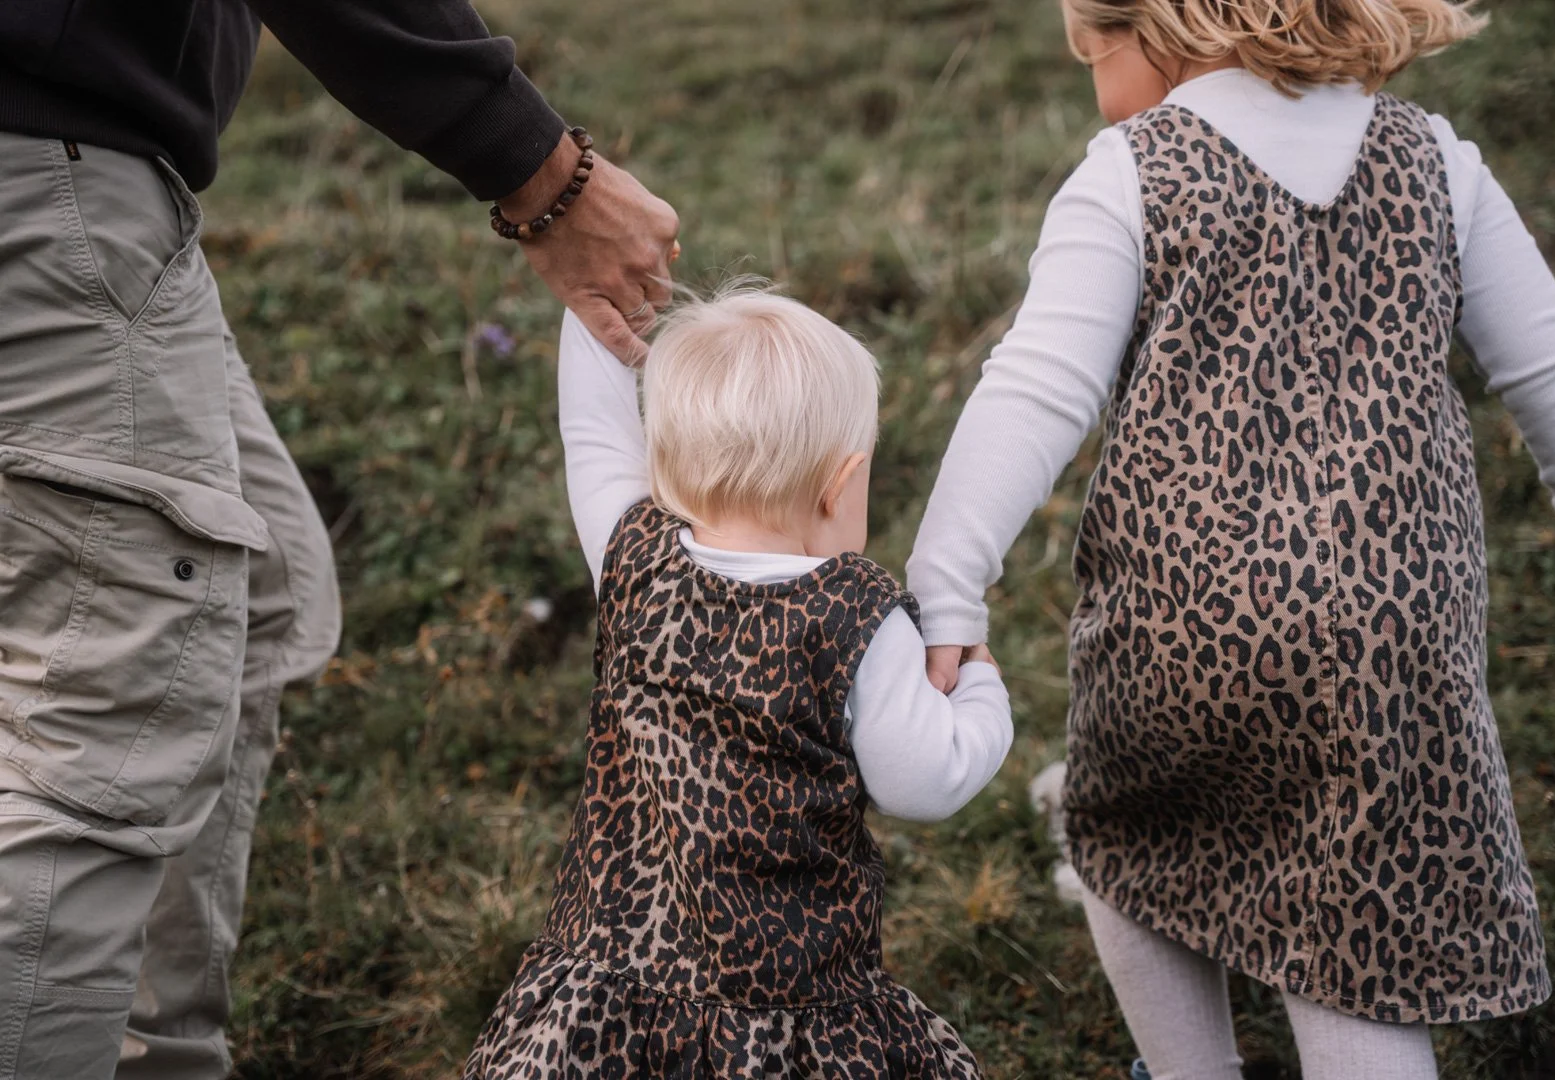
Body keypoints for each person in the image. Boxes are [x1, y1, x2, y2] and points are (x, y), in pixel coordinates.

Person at [905, 1, 1555, 1079]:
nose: (1095, 91)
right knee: (1354, 919)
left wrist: (947, 587)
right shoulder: (1437, 160)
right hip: (1393, 643)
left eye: (1094, 58)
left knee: (1126, 829)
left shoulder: (1132, 168)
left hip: (1184, 625)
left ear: (1159, 28)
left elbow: (1038, 385)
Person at [0, 4, 677, 1079]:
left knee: (260, 592)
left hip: (95, 181)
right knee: (103, 713)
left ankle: (154, 1054)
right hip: (45, 175)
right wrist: (547, 177)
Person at [463, 291, 1015, 1077]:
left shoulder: (635, 560)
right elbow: (927, 783)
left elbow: (590, 429)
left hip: (606, 997)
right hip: (787, 1017)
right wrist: (980, 691)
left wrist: (600, 289)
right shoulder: (855, 616)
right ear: (842, 482)